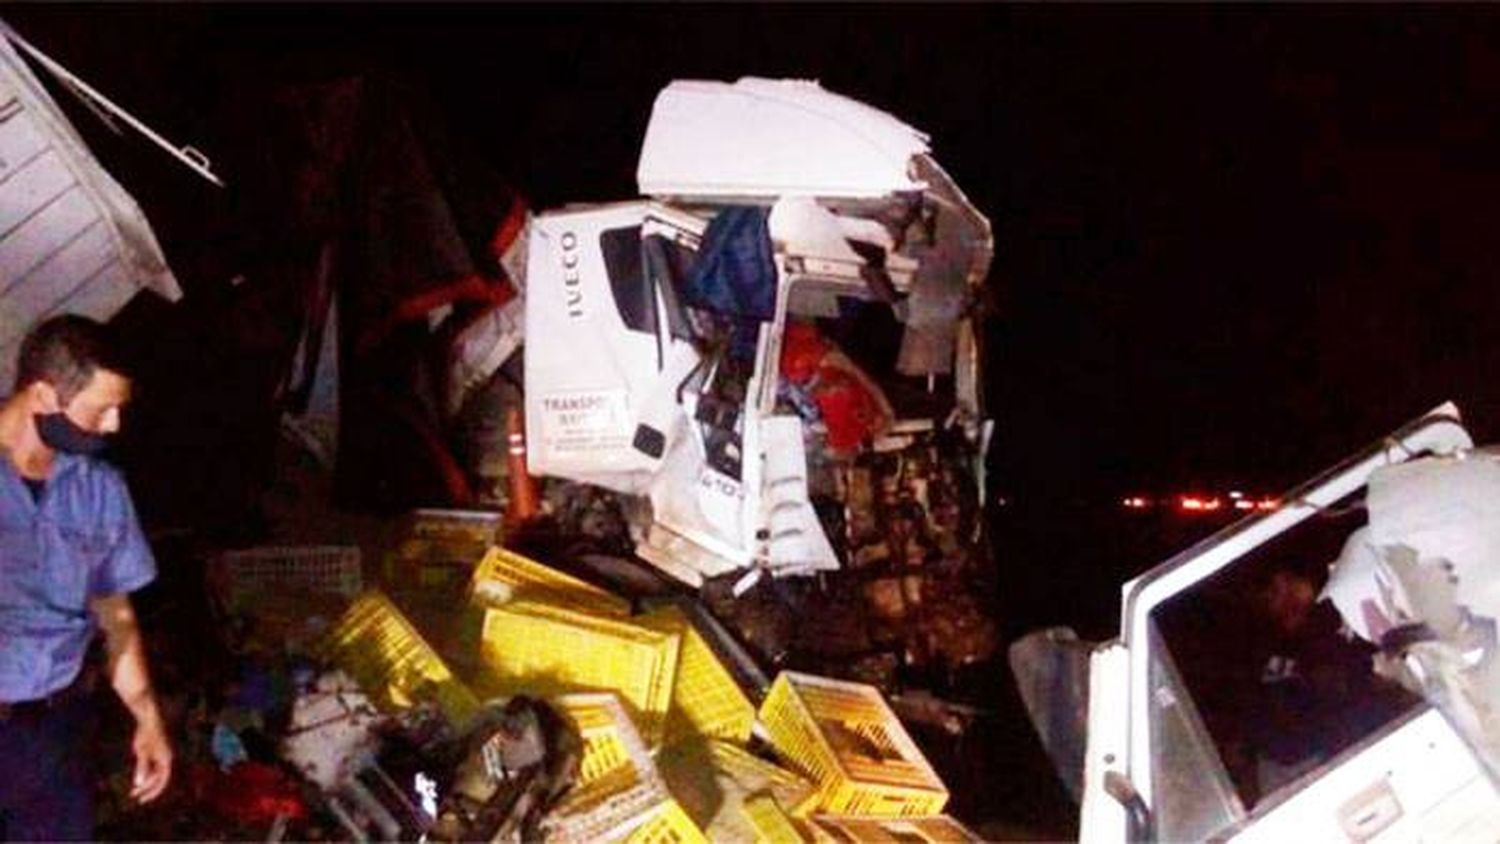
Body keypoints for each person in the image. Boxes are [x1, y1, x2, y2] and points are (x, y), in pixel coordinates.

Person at [0, 315, 172, 840]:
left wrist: (146, 715)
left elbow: (115, 613)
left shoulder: (100, 490)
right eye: (102, 410)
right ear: (44, 397)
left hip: (54, 729)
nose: (114, 425)